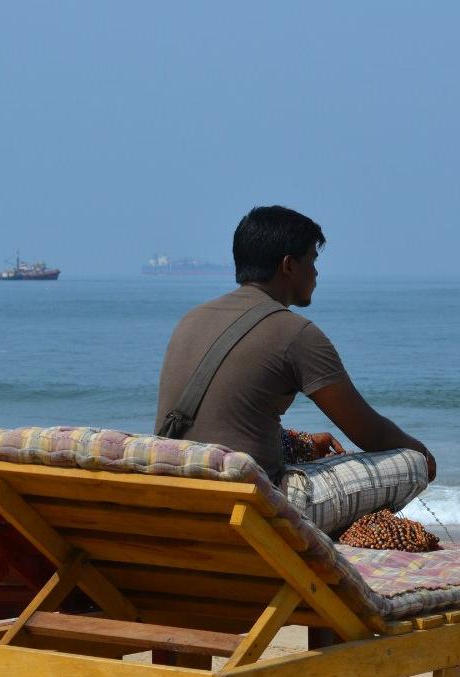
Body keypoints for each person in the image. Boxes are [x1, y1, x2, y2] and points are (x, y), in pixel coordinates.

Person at [155, 205, 436, 535]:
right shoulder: (296, 334)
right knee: (411, 463)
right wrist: (422, 452)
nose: (316, 273)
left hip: (183, 499)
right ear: (288, 265)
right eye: (312, 261)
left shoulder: (190, 320)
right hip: (255, 512)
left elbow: (218, 421)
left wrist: (295, 444)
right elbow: (370, 434)